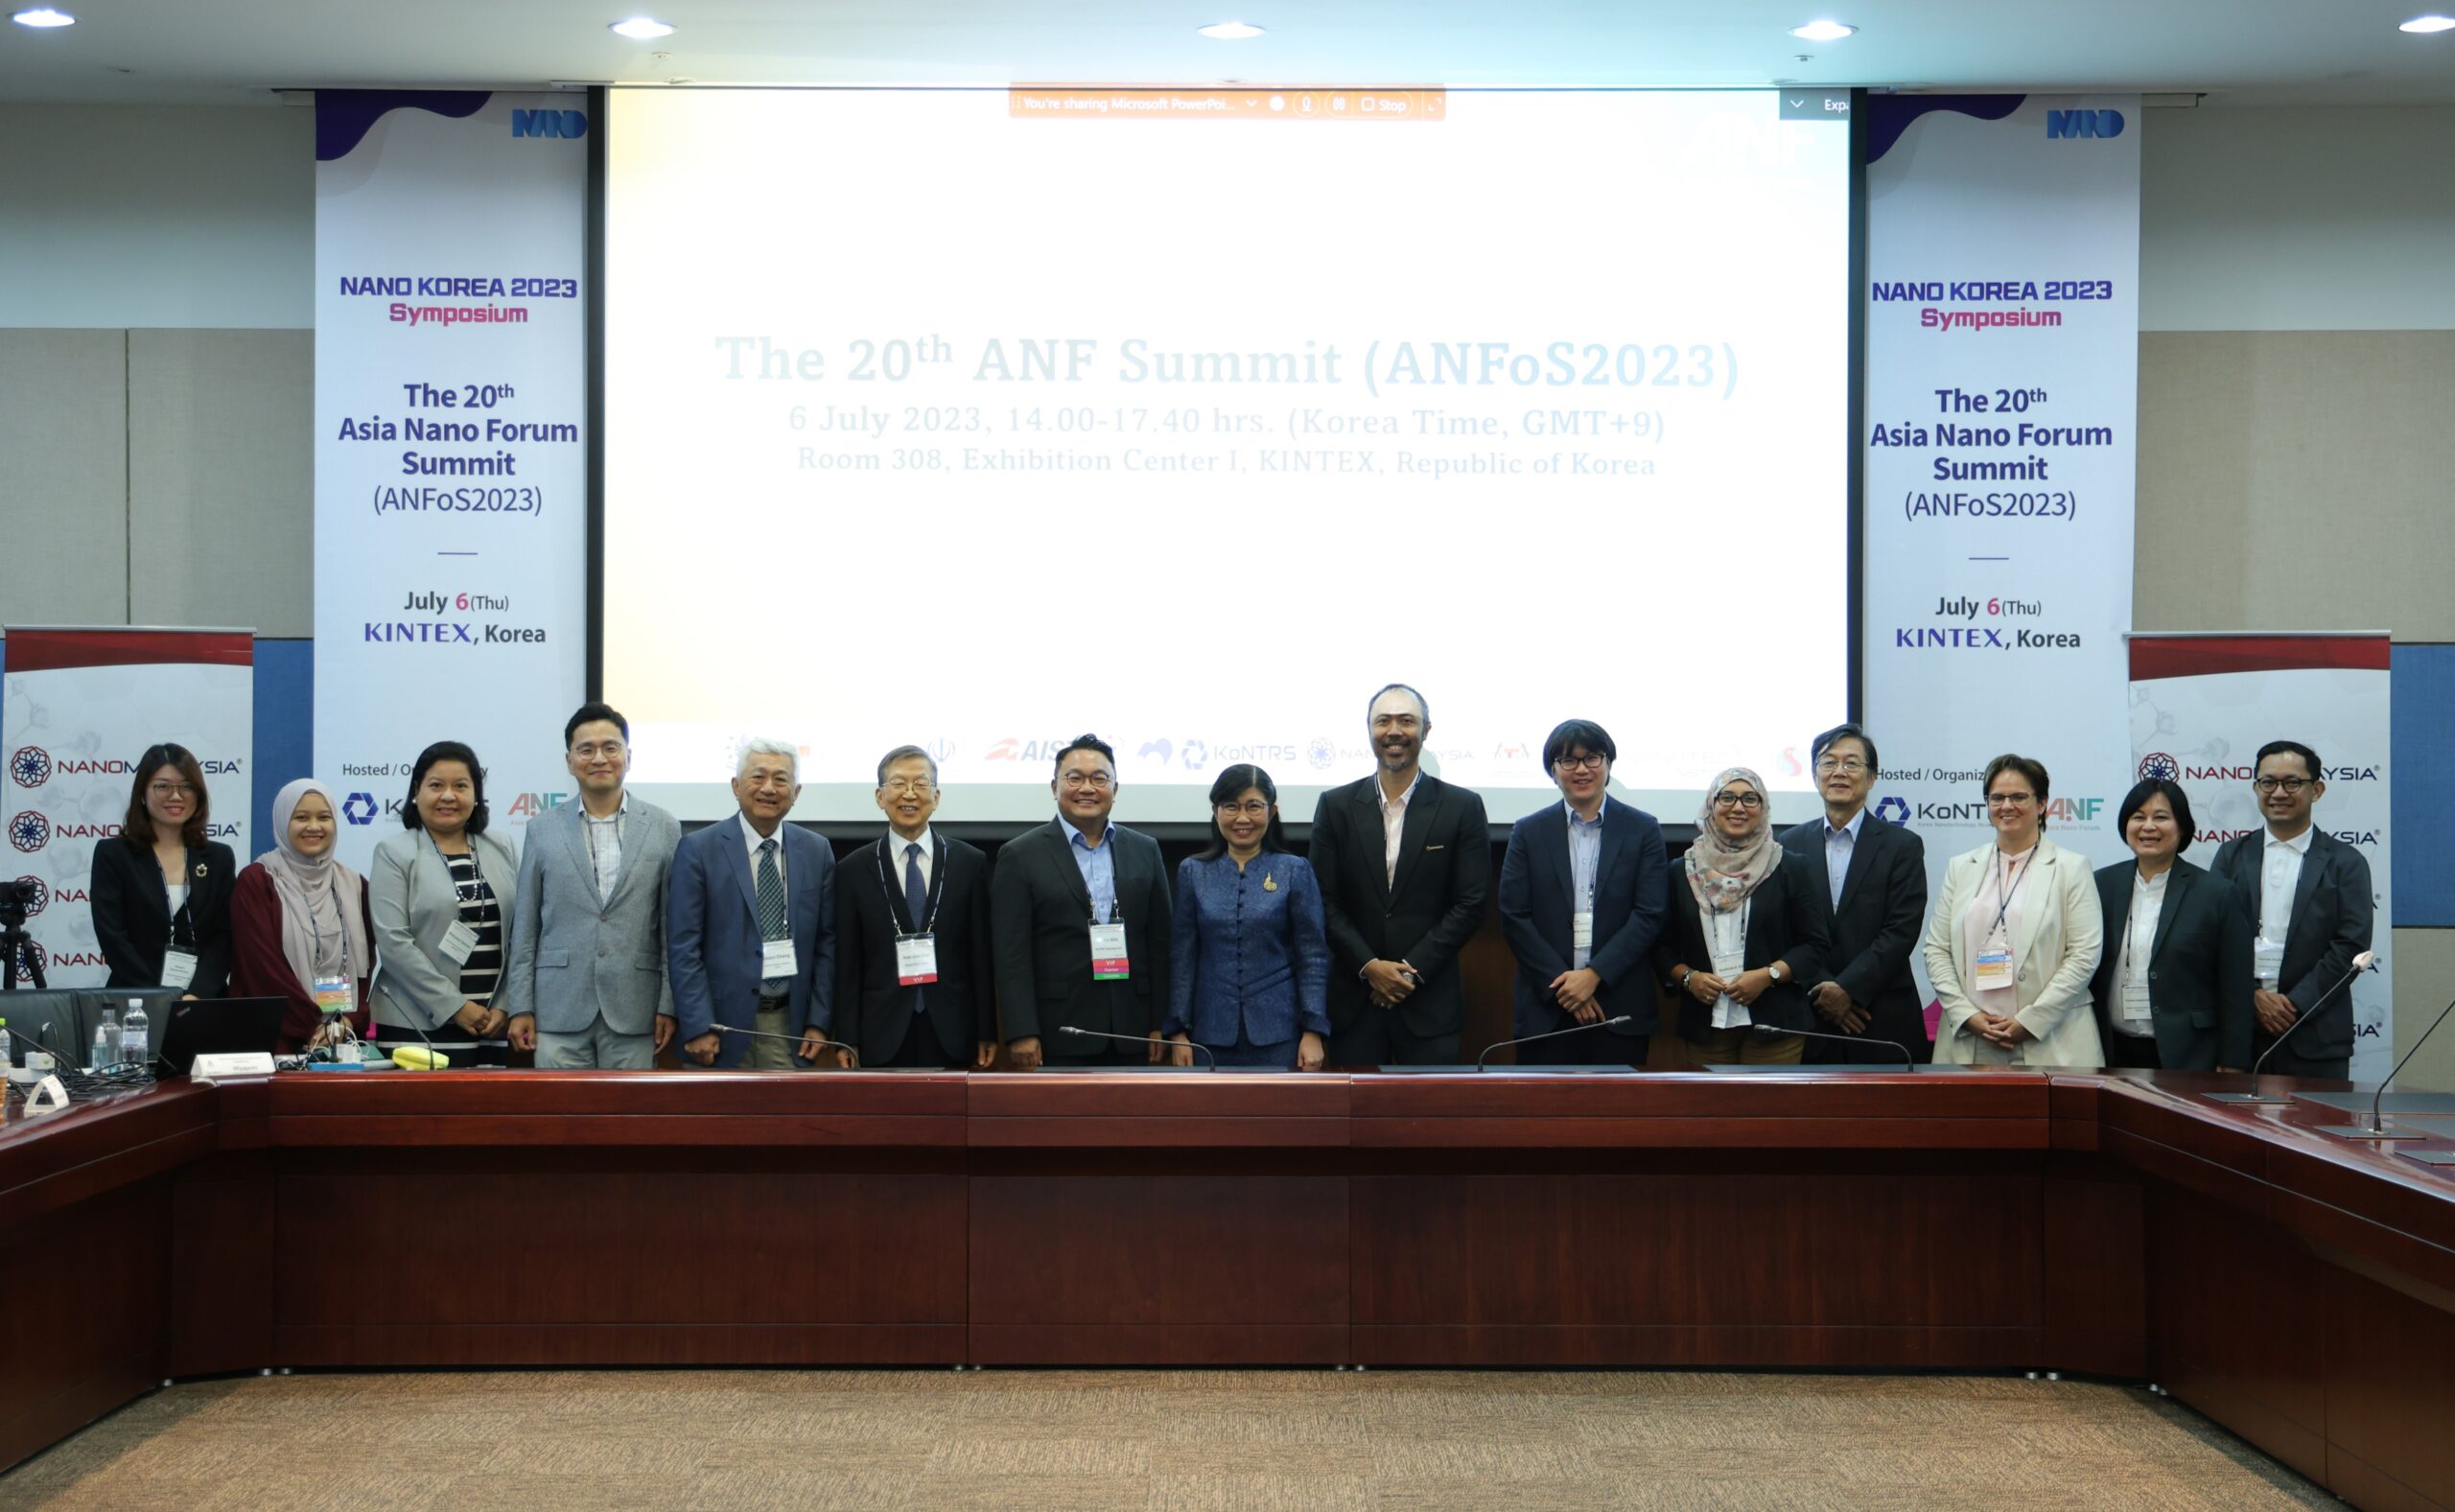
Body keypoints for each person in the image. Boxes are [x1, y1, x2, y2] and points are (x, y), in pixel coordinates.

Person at [1308, 684, 1490, 1066]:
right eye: (1383, 721)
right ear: (1369, 729)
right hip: (1354, 1004)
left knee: (1430, 1107)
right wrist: (1369, 967)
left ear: (1426, 729)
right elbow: (1321, 899)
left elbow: (1470, 903)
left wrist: (1409, 973)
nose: (1394, 731)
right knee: (1356, 1107)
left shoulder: (1462, 806)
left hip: (1430, 1002)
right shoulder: (1335, 806)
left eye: (1406, 721)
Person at [498, 704, 684, 1070]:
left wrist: (668, 1003)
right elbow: (526, 927)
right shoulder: (541, 828)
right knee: (562, 1107)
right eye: (586, 749)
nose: (599, 758)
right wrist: (520, 1005)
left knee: (629, 1108)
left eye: (610, 747)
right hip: (558, 1008)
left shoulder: (664, 827)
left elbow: (670, 927)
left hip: (636, 1008)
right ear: (569, 761)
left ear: (628, 757)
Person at [990, 733, 1171, 1069]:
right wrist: (1022, 1030)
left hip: (1135, 1029)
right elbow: (1011, 953)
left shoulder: (1145, 849)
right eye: (1074, 778)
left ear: (1115, 789)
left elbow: (1160, 944)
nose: (1087, 788)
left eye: (1099, 779)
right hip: (1058, 1029)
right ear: (1054, 787)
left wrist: (1161, 1022)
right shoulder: (1020, 855)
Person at [1495, 719, 1669, 1066]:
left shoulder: (1643, 829)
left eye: (1592, 758)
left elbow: (1649, 914)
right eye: (1568, 760)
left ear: (1608, 764)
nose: (1581, 769)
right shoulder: (1528, 831)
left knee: (1618, 1103)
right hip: (1546, 1009)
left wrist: (1593, 976)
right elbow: (1514, 916)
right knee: (1544, 1103)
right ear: (1553, 770)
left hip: (1618, 1006)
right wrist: (1566, 988)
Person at [666, 738, 836, 1069]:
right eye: (758, 777)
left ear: (796, 792)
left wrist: (818, 1021)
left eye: (781, 779)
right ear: (736, 786)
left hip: (789, 1028)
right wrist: (699, 1024)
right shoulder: (698, 849)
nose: (768, 788)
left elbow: (826, 943)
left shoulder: (817, 851)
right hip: (719, 1027)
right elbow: (683, 946)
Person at [1925, 755, 2105, 1067]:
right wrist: (1966, 1015)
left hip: (2051, 1040)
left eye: (2019, 797)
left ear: (2042, 803)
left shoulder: (2071, 868)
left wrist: (2031, 1021)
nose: (2007, 806)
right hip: (1971, 1039)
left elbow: (2084, 955)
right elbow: (1937, 949)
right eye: (1997, 798)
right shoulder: (1961, 867)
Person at [2209, 740, 2373, 1080]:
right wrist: (2252, 995)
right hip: (2241, 1034)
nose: (2279, 793)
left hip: (2316, 1035)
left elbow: (2351, 947)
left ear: (2317, 790)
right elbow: (2211, 938)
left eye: (2292, 782)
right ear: (2256, 788)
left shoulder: (2346, 862)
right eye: (2268, 782)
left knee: (2315, 1117)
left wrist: (2294, 1004)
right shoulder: (2230, 856)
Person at [833, 744, 998, 1070]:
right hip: (880, 1030)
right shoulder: (853, 869)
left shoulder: (970, 862)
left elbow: (980, 955)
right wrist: (847, 1035)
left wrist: (986, 1029)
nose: (909, 794)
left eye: (920, 784)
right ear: (880, 796)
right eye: (898, 783)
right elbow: (848, 963)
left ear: (936, 797)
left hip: (954, 1029)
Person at [1651, 767, 1831, 1066]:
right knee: (1712, 1100)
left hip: (1775, 1024)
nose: (1738, 807)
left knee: (1766, 1100)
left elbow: (1815, 945)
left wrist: (1768, 975)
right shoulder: (1681, 871)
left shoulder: (1789, 867)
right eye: (1727, 797)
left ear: (1763, 807)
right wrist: (1689, 978)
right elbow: (1660, 946)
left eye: (1750, 798)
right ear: (1711, 805)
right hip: (1706, 1023)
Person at [1778, 723, 1929, 1064]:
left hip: (1881, 1012)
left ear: (1872, 777)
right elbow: (1785, 929)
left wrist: (1848, 989)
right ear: (1814, 774)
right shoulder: (1789, 844)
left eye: (1851, 763)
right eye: (1829, 762)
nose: (1839, 772)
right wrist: (1826, 992)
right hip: (1812, 1013)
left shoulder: (1902, 846)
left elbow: (1901, 930)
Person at [1163, 764, 1332, 1070]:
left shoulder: (1294, 870)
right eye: (1231, 806)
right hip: (1208, 1034)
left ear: (1272, 811)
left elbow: (1313, 956)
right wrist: (1177, 1031)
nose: (1242, 818)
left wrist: (1313, 1030)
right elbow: (1182, 957)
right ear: (1216, 812)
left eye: (1253, 806)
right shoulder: (1193, 872)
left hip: (1281, 1035)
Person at [367, 741, 522, 1067]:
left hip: (492, 1023)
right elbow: (393, 944)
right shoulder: (394, 853)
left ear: (476, 795)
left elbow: (522, 934)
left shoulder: (502, 846)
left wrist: (506, 1004)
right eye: (436, 785)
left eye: (460, 786)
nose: (448, 796)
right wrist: (455, 1006)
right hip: (415, 1022)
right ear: (416, 792)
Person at [2089, 778, 2254, 1071]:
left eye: (2161, 817)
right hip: (2110, 1049)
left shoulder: (2217, 893)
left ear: (2182, 827)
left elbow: (2236, 987)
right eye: (2138, 817)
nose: (2148, 826)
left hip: (2189, 1054)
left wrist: (2233, 1061)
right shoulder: (2101, 884)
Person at [229, 779, 376, 1054]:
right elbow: (262, 971)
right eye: (301, 817)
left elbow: (365, 967)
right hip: (275, 1040)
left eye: (324, 817)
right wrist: (316, 1025)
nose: (314, 826)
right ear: (282, 821)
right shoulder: (258, 882)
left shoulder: (355, 885)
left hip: (340, 1043)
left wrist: (345, 1023)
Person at [88, 742, 235, 999]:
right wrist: (157, 996)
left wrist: (197, 993)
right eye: (163, 786)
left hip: (202, 1001)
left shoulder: (219, 858)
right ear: (142, 793)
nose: (176, 796)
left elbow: (225, 936)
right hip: (135, 999)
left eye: (186, 786)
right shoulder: (113, 854)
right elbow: (113, 936)